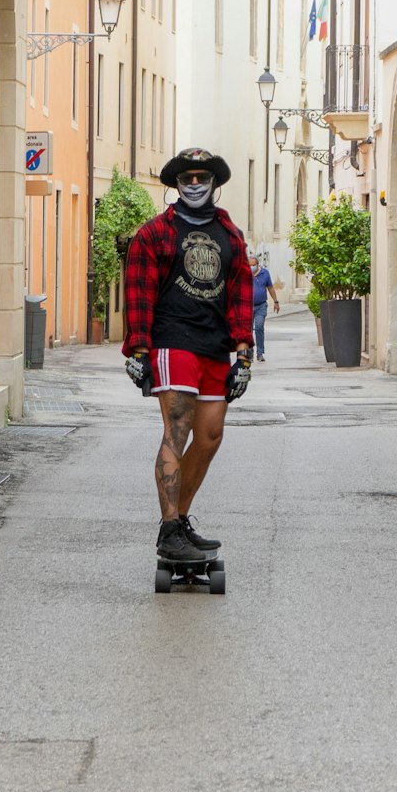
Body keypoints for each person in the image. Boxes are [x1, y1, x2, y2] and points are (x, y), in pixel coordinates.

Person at [122, 147, 254, 565]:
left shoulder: (230, 235)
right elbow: (138, 292)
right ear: (176, 184)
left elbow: (240, 295)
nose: (194, 184)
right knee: (177, 429)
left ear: (214, 182)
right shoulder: (155, 233)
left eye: (201, 177)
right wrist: (138, 349)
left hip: (214, 346)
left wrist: (244, 355)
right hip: (172, 341)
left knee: (211, 436)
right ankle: (167, 530)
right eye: (187, 178)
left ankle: (179, 521)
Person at [247, 248, 279, 361]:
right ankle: (249, 353)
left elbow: (270, 287)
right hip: (247, 306)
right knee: (248, 330)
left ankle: (260, 353)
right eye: (249, 265)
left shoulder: (265, 273)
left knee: (259, 327)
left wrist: (276, 301)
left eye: (253, 265)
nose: (252, 267)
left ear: (257, 264)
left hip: (261, 305)